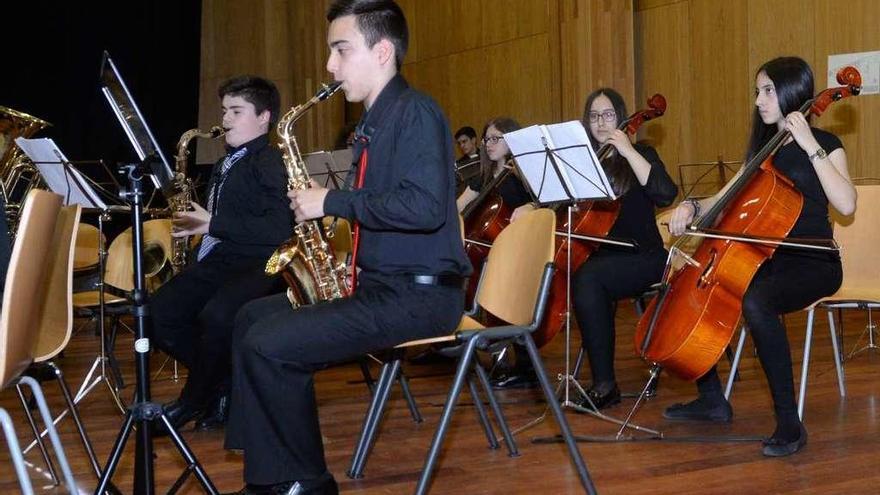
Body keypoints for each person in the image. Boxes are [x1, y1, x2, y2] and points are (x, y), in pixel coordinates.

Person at [223, 1, 470, 493]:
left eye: (340, 50)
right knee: (251, 318)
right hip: (379, 287)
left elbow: (425, 208)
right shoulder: (373, 124)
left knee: (270, 343)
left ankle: (305, 481)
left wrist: (331, 200)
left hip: (420, 298)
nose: (330, 66)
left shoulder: (415, 112)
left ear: (381, 52)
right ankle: (268, 467)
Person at [663, 56, 856, 457]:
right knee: (703, 282)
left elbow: (847, 204)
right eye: (757, 91)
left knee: (756, 300)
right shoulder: (762, 155)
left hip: (814, 261)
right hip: (767, 259)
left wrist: (809, 146)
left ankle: (789, 422)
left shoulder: (827, 145)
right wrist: (690, 207)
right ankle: (712, 397)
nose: (758, 101)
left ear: (792, 92)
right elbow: (717, 200)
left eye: (767, 90)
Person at [149, 75, 292, 433]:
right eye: (225, 110)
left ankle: (192, 401)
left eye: (236, 111)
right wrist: (203, 228)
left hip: (260, 263)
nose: (225, 119)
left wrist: (213, 223)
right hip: (224, 259)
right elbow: (227, 221)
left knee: (216, 318)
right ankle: (223, 383)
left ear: (264, 117)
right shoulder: (228, 162)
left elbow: (279, 230)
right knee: (159, 313)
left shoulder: (270, 162)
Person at [570, 88, 677, 409]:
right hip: (602, 258)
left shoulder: (642, 153)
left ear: (621, 118)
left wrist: (629, 151)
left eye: (608, 115)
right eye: (593, 116)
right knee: (578, 274)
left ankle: (605, 385)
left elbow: (665, 194)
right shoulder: (584, 163)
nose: (600, 123)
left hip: (644, 257)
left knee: (588, 279)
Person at [453, 125, 480, 194]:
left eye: (464, 141)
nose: (461, 146)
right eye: (459, 143)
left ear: (473, 140)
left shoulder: (486, 158)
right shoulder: (459, 164)